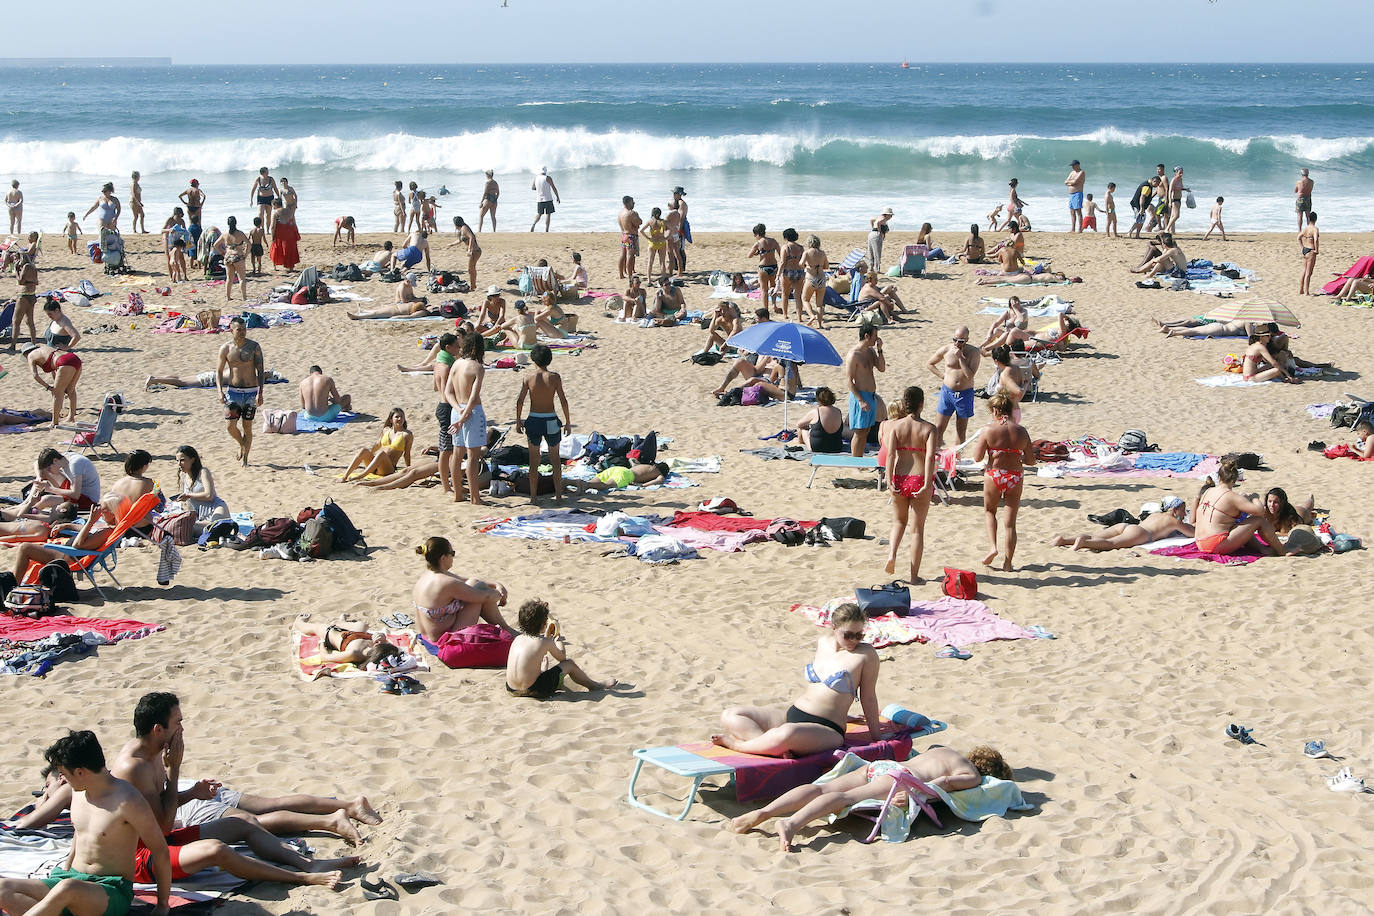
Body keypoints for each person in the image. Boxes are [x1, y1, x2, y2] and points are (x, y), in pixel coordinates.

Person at [110, 693, 356, 892]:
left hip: (161, 839)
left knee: (240, 823)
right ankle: (300, 877)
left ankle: (309, 865)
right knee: (217, 849)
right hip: (141, 857)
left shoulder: (153, 752)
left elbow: (161, 808)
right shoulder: (135, 767)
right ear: (158, 729)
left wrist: (193, 792)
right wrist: (174, 769)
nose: (182, 729)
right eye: (178, 723)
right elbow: (162, 826)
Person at [0, 730, 171, 916]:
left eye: (65, 773)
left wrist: (162, 905)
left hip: (110, 889)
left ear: (80, 772)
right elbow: (79, 833)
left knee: (67, 889)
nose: (63, 779)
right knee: (3, 888)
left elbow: (160, 851)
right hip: (69, 879)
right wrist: (65, 868)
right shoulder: (76, 793)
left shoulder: (128, 801)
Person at [731, 743, 1012, 852]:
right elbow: (944, 783)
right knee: (843, 797)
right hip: (898, 776)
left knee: (821, 788)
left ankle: (765, 812)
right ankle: (791, 825)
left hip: (879, 766)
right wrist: (915, 795)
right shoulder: (972, 775)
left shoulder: (947, 750)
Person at [713, 603, 890, 758]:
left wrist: (876, 736)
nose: (854, 640)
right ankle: (768, 746)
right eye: (848, 634)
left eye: (859, 635)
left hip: (827, 728)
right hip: (794, 714)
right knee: (731, 715)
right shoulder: (823, 643)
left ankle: (739, 746)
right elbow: (822, 690)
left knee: (786, 733)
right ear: (834, 627)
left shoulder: (866, 655)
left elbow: (868, 698)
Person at [972, 390, 1035, 570]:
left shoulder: (988, 430)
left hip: (995, 474)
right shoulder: (1021, 431)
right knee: (1010, 523)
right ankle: (1008, 563)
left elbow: (977, 458)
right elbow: (1031, 460)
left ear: (995, 411)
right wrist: (1017, 456)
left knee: (990, 511)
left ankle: (993, 547)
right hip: (1015, 476)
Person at [505, 599, 619, 698]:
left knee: (535, 665)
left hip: (511, 688)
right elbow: (562, 657)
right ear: (544, 624)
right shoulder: (544, 642)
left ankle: (542, 672)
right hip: (534, 689)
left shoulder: (517, 639)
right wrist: (557, 638)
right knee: (569, 664)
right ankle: (595, 686)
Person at [883, 386, 938, 582]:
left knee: (898, 522)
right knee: (917, 530)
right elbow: (930, 456)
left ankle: (891, 555)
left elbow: (890, 455)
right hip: (919, 478)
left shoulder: (896, 427)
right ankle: (914, 576)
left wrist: (889, 480)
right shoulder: (929, 428)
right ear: (922, 404)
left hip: (899, 477)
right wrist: (927, 481)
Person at [411, 537, 513, 642]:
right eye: (452, 553)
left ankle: (507, 629)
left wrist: (496, 584)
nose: (453, 557)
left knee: (474, 583)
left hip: (428, 636)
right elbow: (485, 597)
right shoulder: (446, 582)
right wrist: (501, 595)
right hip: (445, 640)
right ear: (443, 558)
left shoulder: (428, 576)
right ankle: (507, 630)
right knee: (479, 592)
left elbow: (467, 580)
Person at [1193, 458, 1290, 556]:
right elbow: (1260, 511)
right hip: (1215, 544)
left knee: (1240, 524)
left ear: (1219, 478)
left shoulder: (1208, 491)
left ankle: (1262, 549)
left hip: (1200, 542)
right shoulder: (1232, 496)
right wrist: (1254, 497)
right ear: (1234, 480)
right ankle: (1282, 551)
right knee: (1258, 520)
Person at [514, 344, 571, 504]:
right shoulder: (554, 377)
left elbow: (520, 401)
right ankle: (558, 495)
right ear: (549, 359)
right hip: (551, 419)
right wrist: (567, 422)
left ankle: (533, 497)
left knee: (534, 462)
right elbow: (563, 401)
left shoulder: (528, 377)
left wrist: (518, 421)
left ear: (533, 359)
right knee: (555, 460)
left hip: (534, 419)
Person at [1049, 497, 1194, 550]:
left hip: (1127, 526)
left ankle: (1064, 540)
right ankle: (1084, 543)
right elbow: (1192, 533)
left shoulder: (1156, 514)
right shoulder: (1173, 521)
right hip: (1142, 533)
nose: (1184, 513)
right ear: (1175, 509)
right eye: (1183, 509)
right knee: (1111, 544)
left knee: (1096, 536)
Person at [445, 332, 488, 504]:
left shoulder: (456, 364)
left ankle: (457, 494)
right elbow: (473, 396)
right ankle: (475, 497)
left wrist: (458, 411)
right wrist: (464, 415)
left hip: (457, 410)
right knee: (472, 456)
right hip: (472, 412)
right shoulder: (477, 367)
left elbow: (448, 392)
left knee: (457, 453)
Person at [216, 316, 264, 465]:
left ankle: (245, 459)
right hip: (233, 392)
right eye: (239, 330)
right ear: (231, 330)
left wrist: (260, 393)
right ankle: (241, 443)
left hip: (250, 393)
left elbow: (260, 371)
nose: (242, 332)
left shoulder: (254, 347)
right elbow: (218, 371)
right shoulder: (226, 348)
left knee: (247, 427)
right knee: (230, 426)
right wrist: (220, 391)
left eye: (244, 329)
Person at [927, 326, 981, 448]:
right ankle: (936, 454)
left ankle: (957, 459)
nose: (957, 343)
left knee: (961, 431)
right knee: (939, 428)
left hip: (964, 394)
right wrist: (943, 376)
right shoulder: (946, 349)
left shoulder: (974, 352)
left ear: (967, 340)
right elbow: (930, 364)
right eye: (955, 340)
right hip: (947, 392)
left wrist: (961, 358)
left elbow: (969, 376)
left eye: (961, 341)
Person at [293, 615, 402, 671]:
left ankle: (298, 621)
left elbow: (325, 657)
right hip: (356, 634)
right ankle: (340, 622)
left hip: (331, 634)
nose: (378, 644)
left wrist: (321, 642)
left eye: (380, 645)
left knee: (315, 628)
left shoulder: (354, 654)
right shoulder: (375, 647)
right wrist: (382, 637)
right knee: (363, 625)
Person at [170, 445, 230, 535]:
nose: (179, 464)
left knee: (214, 527)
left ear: (192, 459)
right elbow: (190, 505)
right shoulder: (185, 477)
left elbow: (209, 495)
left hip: (216, 508)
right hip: (200, 516)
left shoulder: (203, 472)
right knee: (182, 528)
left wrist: (188, 495)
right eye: (177, 461)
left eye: (182, 460)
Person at [845, 325, 886, 457]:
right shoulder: (854, 355)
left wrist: (880, 350)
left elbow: (881, 368)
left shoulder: (870, 352)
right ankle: (855, 462)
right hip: (860, 396)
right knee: (859, 432)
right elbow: (849, 381)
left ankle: (860, 460)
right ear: (867, 336)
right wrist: (860, 400)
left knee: (866, 431)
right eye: (875, 336)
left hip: (871, 396)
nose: (877, 338)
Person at [341, 408, 412, 482]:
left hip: (387, 469)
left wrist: (409, 469)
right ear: (391, 419)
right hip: (376, 465)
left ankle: (361, 476)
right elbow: (378, 444)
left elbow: (407, 454)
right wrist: (368, 455)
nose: (400, 419)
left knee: (381, 454)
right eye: (397, 417)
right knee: (364, 450)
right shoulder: (386, 430)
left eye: (402, 417)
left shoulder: (407, 435)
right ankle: (345, 476)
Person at [23, 343, 82, 427]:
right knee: (71, 389)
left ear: (25, 353)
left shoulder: (30, 356)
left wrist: (47, 387)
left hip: (63, 362)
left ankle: (54, 422)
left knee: (57, 394)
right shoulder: (44, 348)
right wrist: (57, 385)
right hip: (73, 358)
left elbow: (35, 375)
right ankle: (71, 417)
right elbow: (54, 369)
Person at [35, 447, 101, 510]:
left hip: (88, 500)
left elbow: (75, 495)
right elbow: (36, 463)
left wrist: (49, 489)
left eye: (49, 469)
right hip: (75, 490)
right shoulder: (63, 458)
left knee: (46, 500)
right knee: (43, 472)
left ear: (55, 461)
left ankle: (32, 510)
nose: (49, 471)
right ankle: (29, 502)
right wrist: (39, 477)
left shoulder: (75, 464)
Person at [109, 449, 158, 534]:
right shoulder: (152, 483)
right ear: (144, 466)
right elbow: (160, 508)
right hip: (143, 529)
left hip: (120, 529)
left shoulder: (117, 484)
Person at [9, 231, 40, 352]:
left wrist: (16, 270)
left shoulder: (25, 267)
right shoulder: (32, 266)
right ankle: (33, 343)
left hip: (24, 296)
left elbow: (20, 281)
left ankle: (13, 345)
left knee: (16, 321)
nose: (16, 261)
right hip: (31, 295)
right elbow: (36, 282)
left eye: (16, 259)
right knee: (29, 322)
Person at [985, 345, 1028, 422]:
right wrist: (1025, 384)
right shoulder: (1016, 368)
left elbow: (1019, 392)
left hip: (1007, 413)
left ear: (996, 361)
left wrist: (1026, 384)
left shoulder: (1005, 374)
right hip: (1014, 409)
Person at [563, 462, 670, 492]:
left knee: (594, 482)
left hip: (619, 469)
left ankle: (568, 482)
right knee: (605, 486)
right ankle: (582, 483)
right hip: (626, 475)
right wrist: (655, 481)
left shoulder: (650, 465)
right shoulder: (659, 475)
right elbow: (645, 485)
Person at [796, 387, 844, 454]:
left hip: (818, 448)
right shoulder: (838, 411)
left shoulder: (816, 411)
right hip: (836, 447)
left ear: (819, 400)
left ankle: (801, 443)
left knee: (802, 428)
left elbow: (799, 424)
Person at [219, 216, 250, 301]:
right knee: (242, 278)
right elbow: (249, 244)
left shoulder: (225, 234)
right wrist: (245, 254)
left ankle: (228, 297)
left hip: (228, 257)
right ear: (236, 223)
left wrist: (222, 252)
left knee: (229, 279)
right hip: (238, 256)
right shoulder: (240, 233)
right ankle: (244, 297)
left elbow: (215, 245)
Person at [800, 234, 828, 329]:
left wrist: (808, 266)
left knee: (805, 299)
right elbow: (826, 266)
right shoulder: (822, 253)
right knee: (819, 304)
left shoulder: (807, 253)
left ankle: (811, 315)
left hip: (810, 278)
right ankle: (820, 324)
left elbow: (801, 264)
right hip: (821, 278)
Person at [778, 227, 805, 321]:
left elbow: (782, 262)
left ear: (786, 237)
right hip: (799, 272)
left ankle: (785, 314)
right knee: (798, 296)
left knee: (785, 294)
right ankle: (799, 317)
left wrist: (778, 274)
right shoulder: (801, 248)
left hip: (788, 272)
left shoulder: (785, 247)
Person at [448, 215, 481, 288]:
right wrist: (451, 244)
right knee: (472, 268)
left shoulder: (464, 228)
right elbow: (460, 240)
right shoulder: (462, 229)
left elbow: (471, 237)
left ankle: (473, 286)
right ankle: (473, 285)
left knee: (471, 269)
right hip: (475, 251)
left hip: (475, 251)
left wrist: (469, 249)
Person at [269, 197, 300, 271]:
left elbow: (273, 226)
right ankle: (291, 268)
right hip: (290, 232)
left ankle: (275, 267)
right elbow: (294, 223)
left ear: (275, 205)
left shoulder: (275, 212)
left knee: (276, 248)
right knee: (290, 249)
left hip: (280, 233)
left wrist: (272, 236)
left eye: (273, 205)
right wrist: (296, 232)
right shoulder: (289, 211)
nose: (273, 207)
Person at [1153, 316, 1251, 339]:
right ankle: (1174, 333)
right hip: (1220, 330)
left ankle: (1168, 329)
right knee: (1194, 331)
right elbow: (1251, 337)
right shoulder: (1248, 321)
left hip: (1218, 326)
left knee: (1193, 330)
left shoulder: (1240, 318)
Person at [617, 196, 642, 279]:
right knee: (630, 256)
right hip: (631, 236)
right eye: (632, 202)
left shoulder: (621, 213)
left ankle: (621, 274)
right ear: (627, 203)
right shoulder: (631, 213)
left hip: (624, 235)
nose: (634, 203)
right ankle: (630, 275)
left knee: (623, 255)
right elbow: (639, 222)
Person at [530, 167, 560, 232]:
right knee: (548, 214)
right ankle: (546, 230)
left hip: (539, 199)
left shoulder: (536, 177)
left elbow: (533, 188)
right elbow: (553, 188)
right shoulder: (548, 178)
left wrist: (539, 188)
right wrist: (557, 197)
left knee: (539, 214)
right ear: (546, 171)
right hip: (548, 199)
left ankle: (533, 224)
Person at [249, 167, 279, 233]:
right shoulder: (258, 179)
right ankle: (262, 229)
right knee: (260, 214)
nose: (268, 172)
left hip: (270, 198)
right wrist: (251, 199)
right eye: (267, 171)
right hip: (261, 198)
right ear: (263, 173)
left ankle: (267, 230)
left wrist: (279, 197)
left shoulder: (271, 179)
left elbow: (275, 188)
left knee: (268, 215)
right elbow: (253, 190)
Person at [1299, 210, 1319, 296]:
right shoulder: (1315, 229)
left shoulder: (1306, 228)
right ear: (1316, 219)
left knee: (1304, 271)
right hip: (1311, 250)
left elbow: (1298, 237)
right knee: (1308, 273)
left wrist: (1302, 247)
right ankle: (1306, 292)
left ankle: (1301, 289)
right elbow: (1316, 239)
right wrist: (1316, 249)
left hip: (1305, 250)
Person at [867, 207, 893, 272]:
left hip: (871, 234)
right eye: (890, 215)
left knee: (871, 251)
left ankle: (871, 266)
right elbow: (878, 223)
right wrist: (880, 232)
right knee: (877, 252)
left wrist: (873, 228)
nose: (891, 217)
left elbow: (872, 220)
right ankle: (877, 269)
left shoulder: (879, 217)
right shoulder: (884, 218)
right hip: (876, 235)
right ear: (886, 214)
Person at [1065, 160, 1086, 232]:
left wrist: (1070, 182)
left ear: (1078, 165)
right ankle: (1073, 228)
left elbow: (1075, 182)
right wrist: (1071, 183)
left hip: (1078, 193)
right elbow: (1066, 181)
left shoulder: (1081, 172)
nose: (1072, 167)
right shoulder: (1072, 172)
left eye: (1073, 165)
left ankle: (1080, 229)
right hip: (1071, 194)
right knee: (1072, 212)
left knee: (1078, 211)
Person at [1166, 166, 1187, 233]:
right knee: (1176, 216)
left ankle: (1171, 230)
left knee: (1172, 216)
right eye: (1180, 172)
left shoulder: (1180, 179)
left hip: (1179, 199)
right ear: (1176, 172)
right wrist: (1169, 201)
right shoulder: (1174, 180)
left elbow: (1180, 188)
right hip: (1174, 200)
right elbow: (1170, 191)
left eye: (1182, 172)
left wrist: (1186, 189)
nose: (1181, 174)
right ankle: (1167, 229)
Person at [1294, 167, 1313, 232]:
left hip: (1300, 199)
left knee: (1299, 215)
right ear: (1308, 174)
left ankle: (1300, 230)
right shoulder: (1311, 182)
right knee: (1308, 215)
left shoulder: (1299, 182)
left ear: (1301, 174)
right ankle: (1309, 230)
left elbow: (1295, 191)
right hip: (1308, 198)